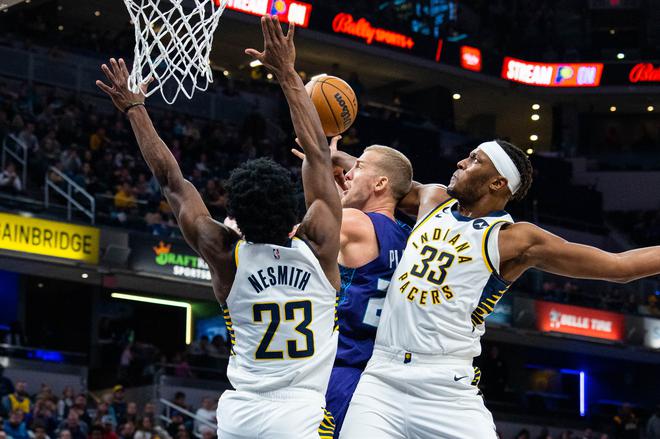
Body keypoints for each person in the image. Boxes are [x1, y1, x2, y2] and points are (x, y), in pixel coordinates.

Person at [95, 14, 342, 439]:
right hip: (301, 413)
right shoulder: (319, 242)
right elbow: (319, 155)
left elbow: (174, 183)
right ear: (293, 211)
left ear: (236, 218)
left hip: (240, 415)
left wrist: (135, 108)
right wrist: (286, 73)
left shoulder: (225, 252)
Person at [336, 139, 660, 438]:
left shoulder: (513, 238)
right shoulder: (432, 199)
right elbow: (382, 177)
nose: (461, 162)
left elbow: (620, 267)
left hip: (445, 387)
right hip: (381, 377)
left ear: (497, 183)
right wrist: (331, 155)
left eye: (475, 160)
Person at [293, 137, 413, 436]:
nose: (347, 173)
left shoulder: (355, 222)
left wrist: (316, 164)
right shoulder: (409, 236)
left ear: (380, 183)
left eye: (357, 167)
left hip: (339, 370)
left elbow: (303, 232)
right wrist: (341, 190)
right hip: (375, 375)